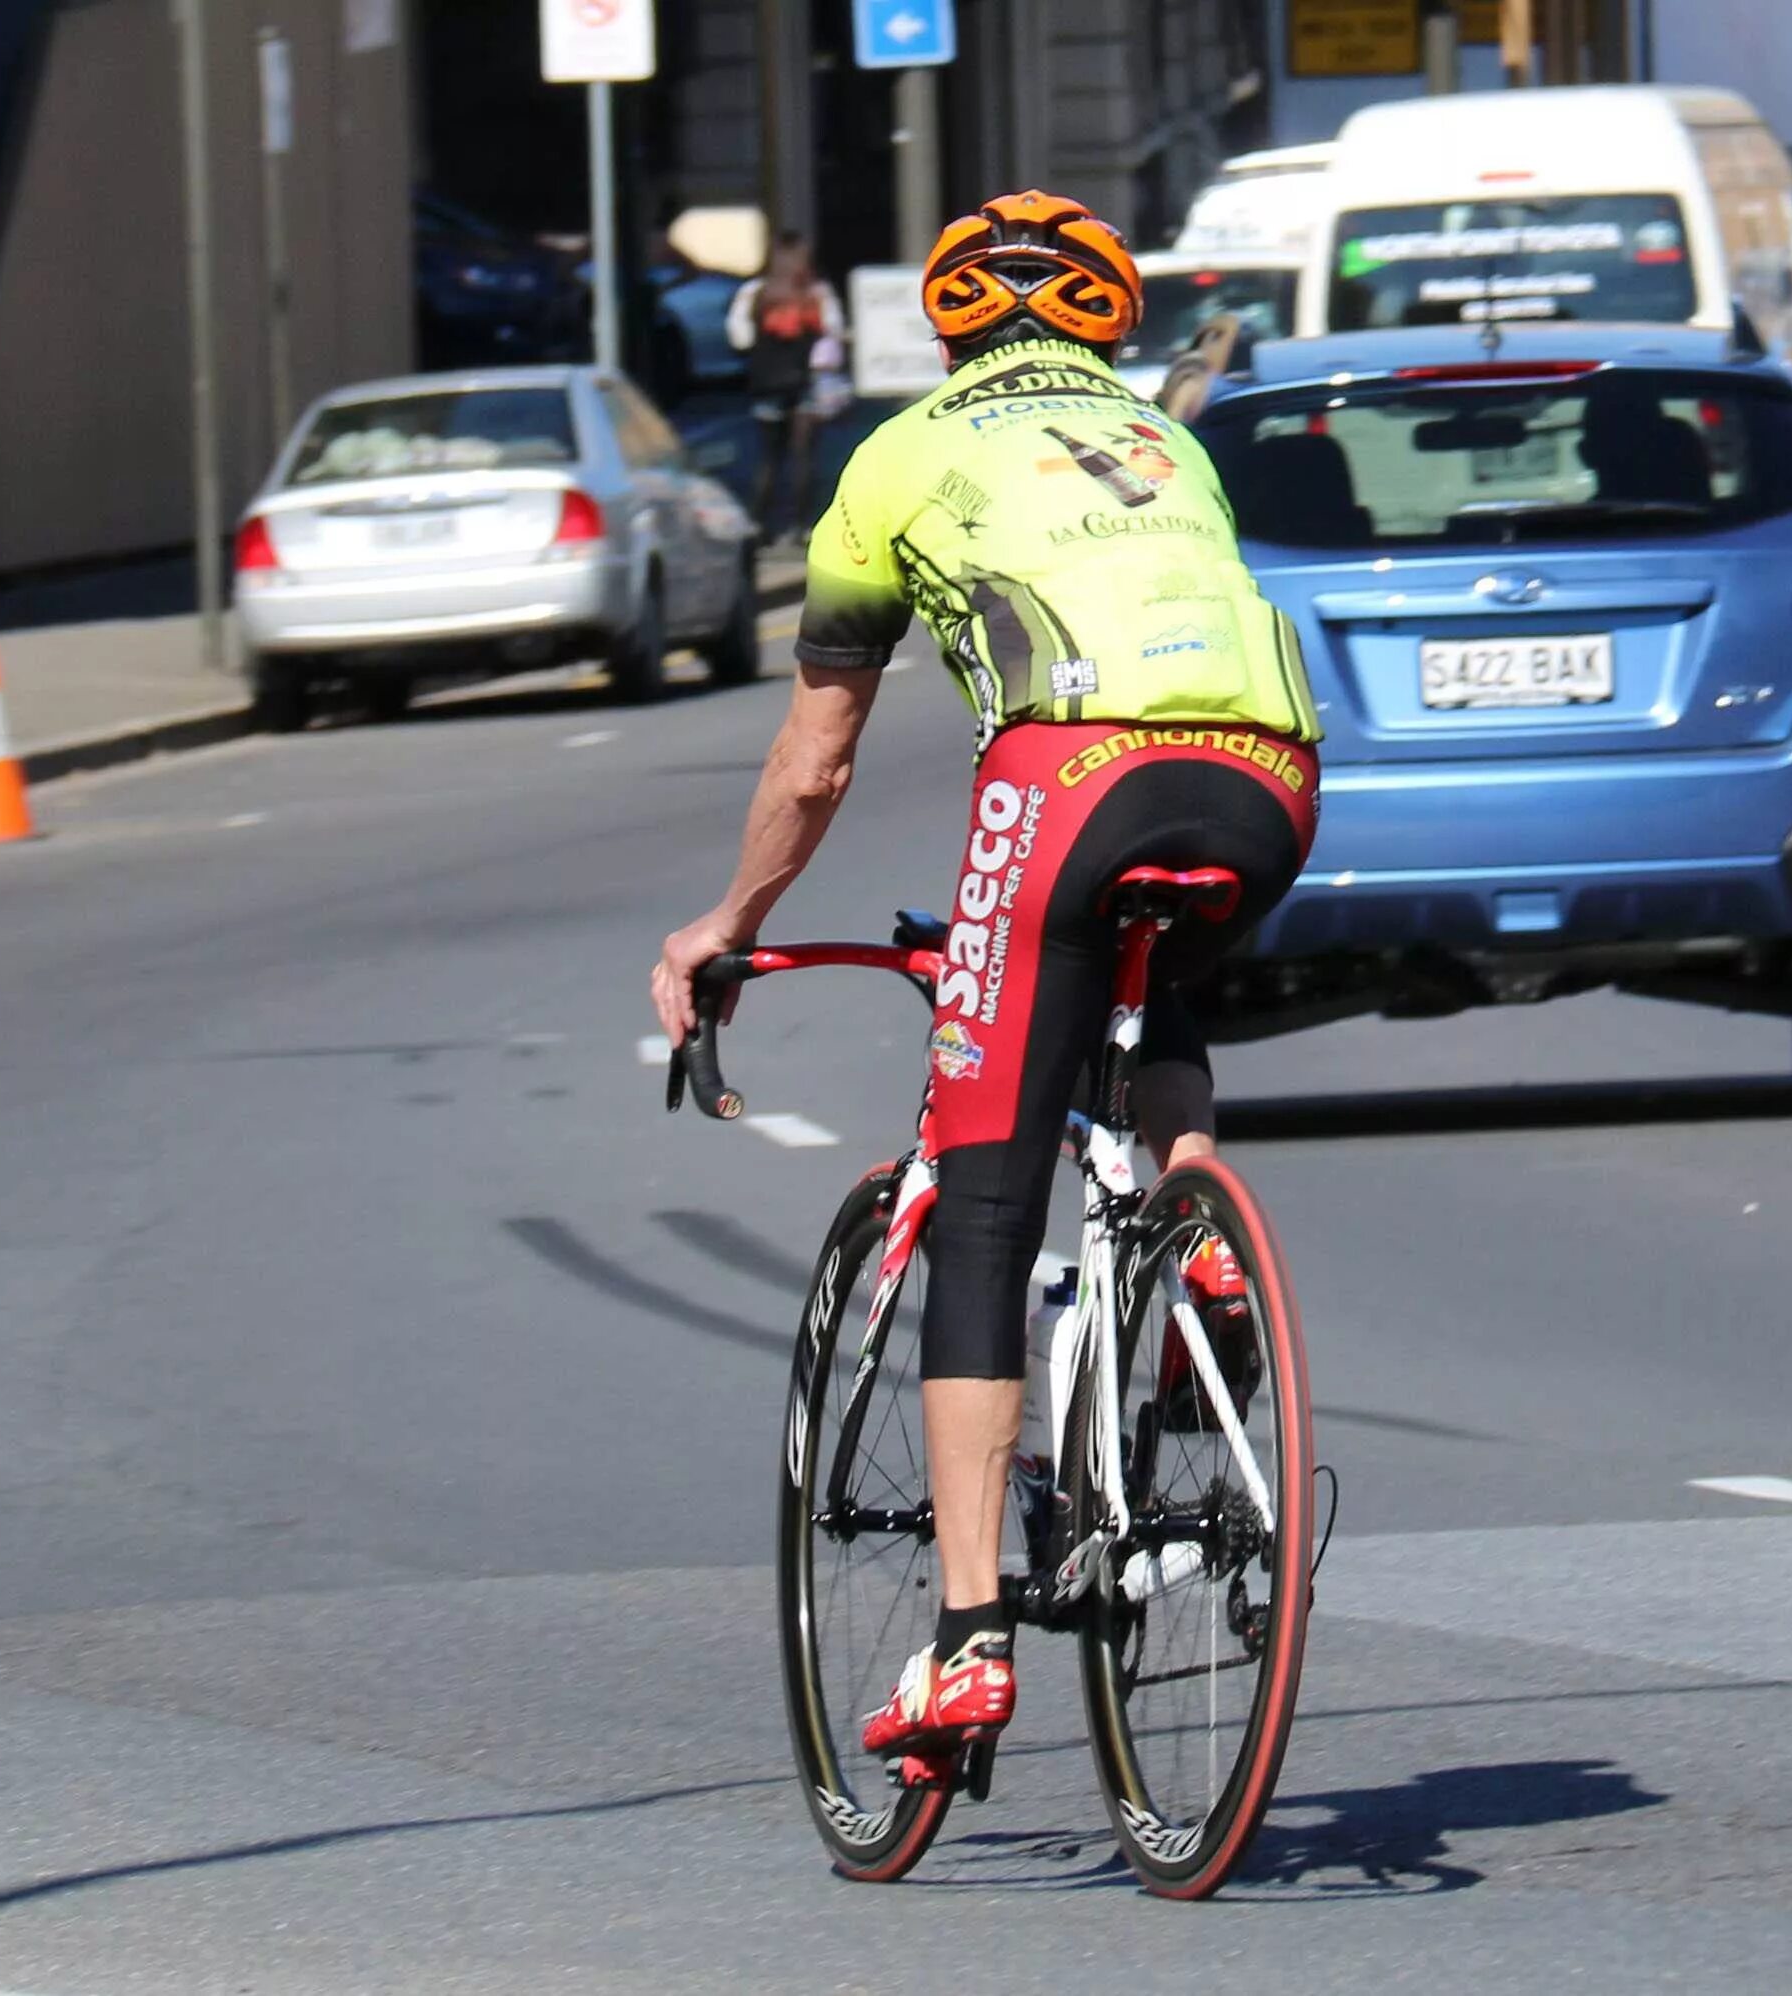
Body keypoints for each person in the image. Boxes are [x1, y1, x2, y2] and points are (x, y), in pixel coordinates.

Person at [651, 190, 1321, 1766]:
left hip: (1073, 778)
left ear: (953, 326)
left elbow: (818, 759)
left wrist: (728, 920)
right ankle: (1196, 1218)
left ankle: (962, 1642)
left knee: (987, 1192)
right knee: (1156, 971)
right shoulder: (1170, 442)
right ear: (1106, 323)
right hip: (1272, 778)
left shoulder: (893, 458)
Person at [727, 233, 848, 543]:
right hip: (806, 381)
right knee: (803, 455)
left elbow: (739, 338)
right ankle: (800, 526)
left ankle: (760, 524)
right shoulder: (816, 293)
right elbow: (833, 329)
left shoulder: (755, 292)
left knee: (769, 457)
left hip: (766, 382)